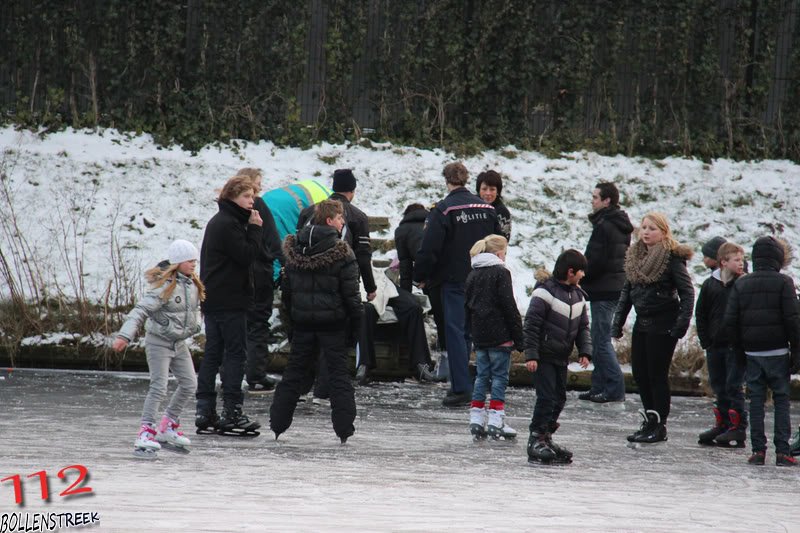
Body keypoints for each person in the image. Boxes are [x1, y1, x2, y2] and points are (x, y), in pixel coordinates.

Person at [270, 200, 363, 443]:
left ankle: (278, 423)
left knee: (293, 374)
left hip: (302, 325)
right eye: (340, 217)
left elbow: (287, 295)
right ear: (330, 221)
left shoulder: (294, 249)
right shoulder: (342, 252)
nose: (343, 222)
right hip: (333, 325)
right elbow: (352, 296)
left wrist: (292, 325)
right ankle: (344, 429)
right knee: (339, 376)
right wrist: (356, 327)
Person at [413, 162, 502, 407]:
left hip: (454, 280)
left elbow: (429, 249)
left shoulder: (443, 210)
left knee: (455, 332)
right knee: (472, 332)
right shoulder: (487, 208)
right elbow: (498, 242)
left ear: (447, 181)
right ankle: (476, 384)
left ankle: (461, 387)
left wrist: (420, 274)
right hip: (484, 277)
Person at [113, 240, 204, 458]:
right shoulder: (164, 287)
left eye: (194, 261)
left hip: (178, 343)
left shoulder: (192, 285)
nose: (193, 265)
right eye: (189, 261)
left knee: (190, 384)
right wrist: (125, 335)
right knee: (159, 386)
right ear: (177, 263)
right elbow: (140, 310)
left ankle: (168, 425)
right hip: (158, 342)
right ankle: (145, 431)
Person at [610, 212, 694, 444]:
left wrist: (681, 324)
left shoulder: (671, 258)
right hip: (643, 322)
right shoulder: (635, 256)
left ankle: (659, 425)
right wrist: (617, 323)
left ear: (663, 232)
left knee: (656, 375)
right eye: (644, 227)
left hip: (664, 323)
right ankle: (649, 419)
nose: (646, 232)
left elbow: (687, 293)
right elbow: (627, 292)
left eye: (652, 228)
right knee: (640, 374)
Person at [195, 175, 263, 436]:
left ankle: (205, 409)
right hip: (230, 300)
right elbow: (247, 256)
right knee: (234, 354)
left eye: (253, 197)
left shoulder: (221, 220)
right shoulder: (229, 223)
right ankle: (232, 411)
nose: (251, 202)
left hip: (215, 299)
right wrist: (255, 229)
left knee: (213, 353)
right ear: (232, 196)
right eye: (246, 196)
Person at [725, 236, 800, 466]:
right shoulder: (784, 282)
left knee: (756, 401)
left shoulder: (742, 283)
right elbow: (792, 320)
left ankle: (758, 450)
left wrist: (739, 351)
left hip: (752, 353)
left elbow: (731, 321)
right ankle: (782, 451)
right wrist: (797, 351)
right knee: (781, 400)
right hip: (777, 352)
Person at [524, 250, 592, 464]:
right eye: (581, 271)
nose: (583, 275)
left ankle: (546, 436)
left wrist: (585, 351)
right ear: (571, 271)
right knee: (546, 397)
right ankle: (535, 438)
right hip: (543, 356)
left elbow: (583, 327)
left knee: (559, 398)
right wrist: (531, 355)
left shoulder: (578, 296)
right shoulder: (545, 293)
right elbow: (531, 326)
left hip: (561, 357)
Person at [465, 235, 524, 440]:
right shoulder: (501, 272)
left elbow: (467, 306)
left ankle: (476, 417)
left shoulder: (473, 273)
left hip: (480, 335)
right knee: (499, 377)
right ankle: (496, 419)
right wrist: (519, 337)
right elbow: (509, 305)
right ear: (499, 253)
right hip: (500, 335)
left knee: (482, 376)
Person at [580, 182, 633, 403]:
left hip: (604, 288)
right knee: (598, 338)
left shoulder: (605, 225)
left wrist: (581, 276)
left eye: (595, 197)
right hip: (613, 286)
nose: (592, 201)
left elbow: (596, 260)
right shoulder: (617, 223)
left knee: (601, 341)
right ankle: (599, 385)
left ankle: (613, 388)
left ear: (606, 200)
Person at [235, 168, 284, 393]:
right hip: (259, 274)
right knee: (258, 325)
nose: (261, 188)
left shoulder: (229, 209)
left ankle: (238, 370)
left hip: (237, 275)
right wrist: (285, 263)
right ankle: (256, 374)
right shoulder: (259, 205)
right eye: (258, 183)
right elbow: (273, 239)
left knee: (241, 324)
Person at [695, 242, 747, 447]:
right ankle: (723, 423)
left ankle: (738, 426)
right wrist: (705, 340)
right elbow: (701, 313)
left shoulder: (743, 284)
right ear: (723, 262)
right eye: (736, 260)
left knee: (734, 385)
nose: (741, 264)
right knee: (719, 385)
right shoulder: (710, 284)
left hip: (735, 346)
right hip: (715, 344)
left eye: (742, 260)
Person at [395, 202, 447, 361]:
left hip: (427, 273)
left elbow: (405, 267)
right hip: (446, 269)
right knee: (447, 314)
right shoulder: (434, 222)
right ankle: (449, 351)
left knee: (439, 314)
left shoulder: (402, 230)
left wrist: (406, 297)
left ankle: (443, 351)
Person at [476, 170, 512, 242]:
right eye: (484, 189)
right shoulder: (469, 206)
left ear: (498, 191)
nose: (488, 193)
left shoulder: (503, 213)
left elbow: (504, 241)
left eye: (492, 189)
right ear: (478, 190)